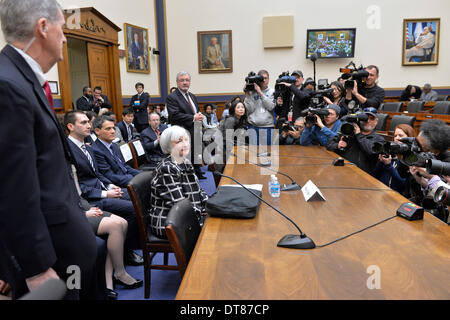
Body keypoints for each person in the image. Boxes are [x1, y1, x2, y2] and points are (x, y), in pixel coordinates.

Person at [0, 0, 97, 299]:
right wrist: (36, 267)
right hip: (48, 262)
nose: (65, 38)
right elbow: (14, 188)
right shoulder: (8, 85)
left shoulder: (23, 80)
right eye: (63, 29)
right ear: (43, 27)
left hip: (63, 246)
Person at [64, 111, 143, 266]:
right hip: (88, 200)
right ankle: (126, 250)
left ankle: (135, 242)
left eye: (89, 122)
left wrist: (110, 185)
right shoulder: (68, 150)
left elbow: (97, 174)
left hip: (100, 190)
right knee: (133, 207)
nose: (89, 125)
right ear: (70, 126)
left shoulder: (86, 147)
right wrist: (106, 194)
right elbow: (77, 186)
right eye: (84, 123)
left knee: (137, 197)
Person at [148, 126, 209, 239]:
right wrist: (202, 213)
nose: (185, 144)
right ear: (168, 146)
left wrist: (210, 205)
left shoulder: (185, 161)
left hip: (187, 215)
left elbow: (198, 191)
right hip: (168, 222)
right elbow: (180, 205)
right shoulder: (166, 168)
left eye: (186, 140)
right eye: (179, 141)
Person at [80, 197, 143, 300]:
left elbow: (76, 194)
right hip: (75, 216)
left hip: (82, 206)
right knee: (115, 226)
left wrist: (88, 208)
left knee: (123, 222)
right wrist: (84, 213)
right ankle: (120, 273)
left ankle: (109, 277)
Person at [166, 71, 206, 179]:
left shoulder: (192, 96)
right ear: (177, 82)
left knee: (196, 151)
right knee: (186, 154)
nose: (185, 82)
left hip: (195, 128)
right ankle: (189, 175)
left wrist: (199, 115)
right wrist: (193, 117)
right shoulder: (172, 97)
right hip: (182, 131)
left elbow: (195, 111)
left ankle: (197, 171)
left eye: (187, 80)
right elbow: (174, 115)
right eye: (182, 80)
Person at [408, 119, 450, 218]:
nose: (417, 148)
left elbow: (444, 196)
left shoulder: (446, 163)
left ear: (434, 151)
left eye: (421, 147)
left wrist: (430, 176)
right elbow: (428, 190)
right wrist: (419, 179)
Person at [326, 107, 385, 175]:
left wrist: (359, 135)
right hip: (343, 171)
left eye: (372, 119)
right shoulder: (349, 131)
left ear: (376, 122)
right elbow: (329, 144)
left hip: (364, 176)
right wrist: (338, 145)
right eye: (365, 118)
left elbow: (372, 151)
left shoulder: (379, 139)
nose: (368, 121)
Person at [92, 116, 141, 188]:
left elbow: (124, 166)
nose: (113, 131)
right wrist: (134, 179)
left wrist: (140, 175)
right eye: (108, 129)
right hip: (116, 186)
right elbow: (109, 176)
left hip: (126, 178)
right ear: (97, 131)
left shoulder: (114, 145)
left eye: (113, 128)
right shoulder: (96, 150)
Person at [373, 124, 416, 195]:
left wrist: (388, 166)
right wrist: (381, 162)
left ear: (409, 138)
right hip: (381, 192)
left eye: (400, 135)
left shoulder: (411, 158)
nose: (397, 138)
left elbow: (403, 185)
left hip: (397, 196)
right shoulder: (391, 153)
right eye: (395, 136)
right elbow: (375, 176)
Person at [243, 69, 275, 145]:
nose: (264, 80)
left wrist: (260, 93)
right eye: (261, 78)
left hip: (267, 126)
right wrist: (247, 94)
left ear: (269, 79)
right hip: (253, 126)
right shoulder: (251, 92)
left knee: (267, 152)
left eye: (266, 78)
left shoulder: (272, 92)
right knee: (253, 153)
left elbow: (270, 107)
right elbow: (249, 109)